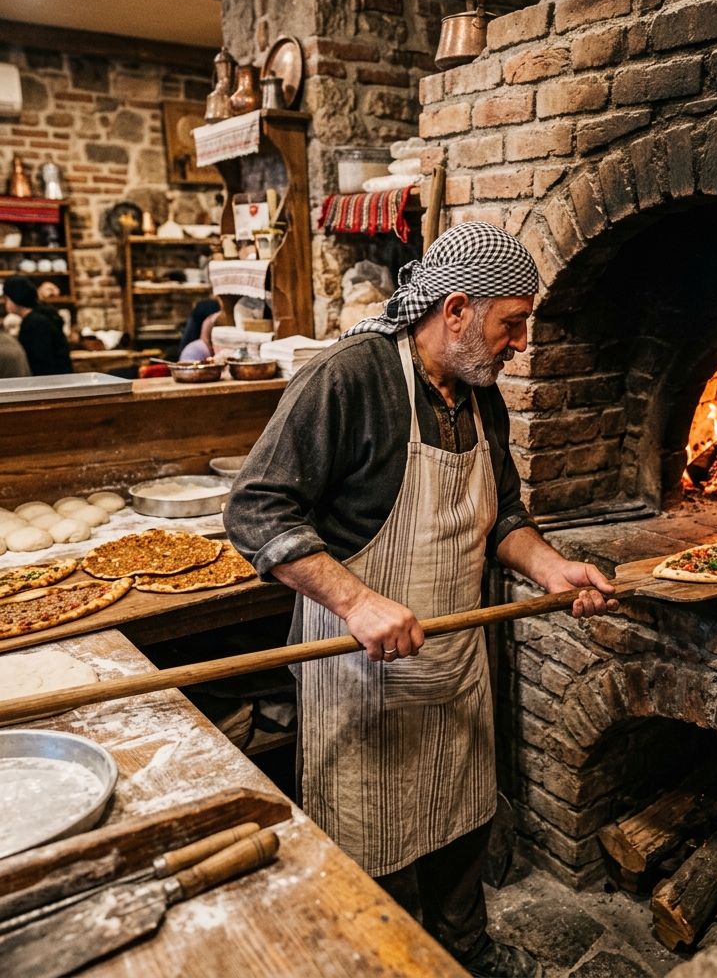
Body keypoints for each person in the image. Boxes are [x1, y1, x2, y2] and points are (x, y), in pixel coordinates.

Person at [225, 223, 618, 978]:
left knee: (462, 820)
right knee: (370, 849)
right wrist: (357, 601)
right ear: (459, 309)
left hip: (454, 662)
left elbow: (502, 513)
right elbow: (257, 510)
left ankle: (466, 952)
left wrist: (551, 569)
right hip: (358, 674)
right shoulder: (350, 376)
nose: (522, 343)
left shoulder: (479, 394)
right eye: (514, 323)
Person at [3, 276, 72, 375]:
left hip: (51, 383)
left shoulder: (35, 322)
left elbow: (40, 362)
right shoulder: (43, 315)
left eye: (6, 299)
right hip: (59, 380)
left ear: (13, 299)